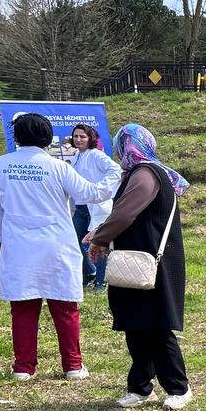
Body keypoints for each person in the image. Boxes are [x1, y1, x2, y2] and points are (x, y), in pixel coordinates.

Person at [0, 113, 119, 381]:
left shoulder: (1, 165)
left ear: (17, 137)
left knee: (22, 307)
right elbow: (91, 193)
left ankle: (23, 367)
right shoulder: (58, 167)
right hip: (56, 246)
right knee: (65, 307)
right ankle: (73, 365)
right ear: (47, 138)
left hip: (18, 245)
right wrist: (115, 175)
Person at [86, 125, 193, 410]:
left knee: (156, 327)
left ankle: (179, 388)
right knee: (135, 325)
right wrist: (101, 233)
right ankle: (140, 387)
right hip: (135, 261)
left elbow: (124, 213)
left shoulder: (146, 174)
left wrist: (99, 237)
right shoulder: (140, 173)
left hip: (149, 263)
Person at [67, 124, 119, 294]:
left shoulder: (96, 155)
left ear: (90, 138)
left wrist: (99, 189)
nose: (78, 139)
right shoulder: (76, 156)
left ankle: (101, 281)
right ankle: (89, 273)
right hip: (81, 208)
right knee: (75, 243)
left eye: (82, 136)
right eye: (76, 136)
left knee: (97, 243)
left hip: (96, 207)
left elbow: (116, 170)